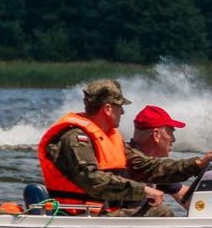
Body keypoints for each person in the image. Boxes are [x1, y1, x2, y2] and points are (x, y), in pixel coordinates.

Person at [37, 79, 170, 216]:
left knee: (157, 211)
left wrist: (192, 165)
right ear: (107, 109)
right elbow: (91, 179)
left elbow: (146, 165)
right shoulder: (75, 138)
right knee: (161, 213)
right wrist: (142, 190)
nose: (123, 112)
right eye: (119, 106)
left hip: (100, 214)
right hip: (79, 217)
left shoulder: (108, 137)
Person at [126, 104, 212, 208]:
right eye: (171, 133)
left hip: (129, 223)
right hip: (115, 222)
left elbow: (183, 195)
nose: (174, 139)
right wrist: (199, 163)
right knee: (162, 213)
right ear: (156, 134)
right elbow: (162, 168)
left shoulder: (154, 171)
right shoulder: (129, 161)